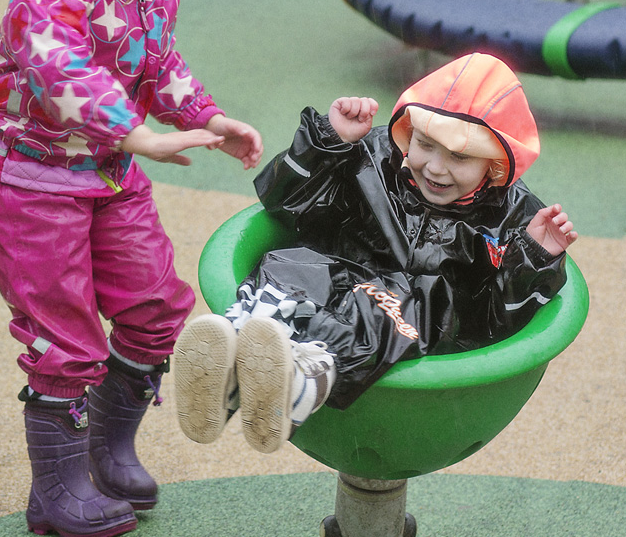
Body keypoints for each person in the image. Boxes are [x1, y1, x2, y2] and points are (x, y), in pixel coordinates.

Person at [0, 0, 263, 537]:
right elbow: (60, 72)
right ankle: (58, 488)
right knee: (63, 335)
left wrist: (204, 115)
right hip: (35, 180)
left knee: (154, 307)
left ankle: (106, 447)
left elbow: (155, 60)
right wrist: (140, 137)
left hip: (108, 175)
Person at [172, 53, 576, 454]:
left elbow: (500, 320)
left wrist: (535, 256)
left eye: (459, 156)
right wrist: (329, 141)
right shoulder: (376, 157)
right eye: (425, 145)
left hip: (419, 322)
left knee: (386, 306)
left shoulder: (512, 219)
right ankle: (234, 357)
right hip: (339, 278)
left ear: (495, 165)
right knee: (289, 265)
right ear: (408, 133)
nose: (435, 167)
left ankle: (302, 379)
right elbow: (285, 205)